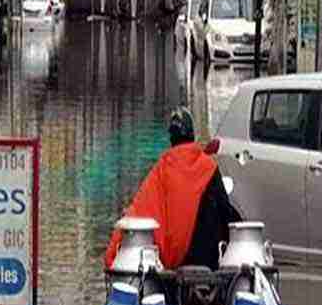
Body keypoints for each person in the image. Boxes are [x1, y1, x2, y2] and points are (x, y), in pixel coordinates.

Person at [103, 107, 243, 271]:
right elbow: (225, 210)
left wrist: (113, 253)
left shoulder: (162, 169)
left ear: (172, 138)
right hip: (209, 259)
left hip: (174, 263)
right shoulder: (209, 166)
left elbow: (140, 209)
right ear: (192, 135)